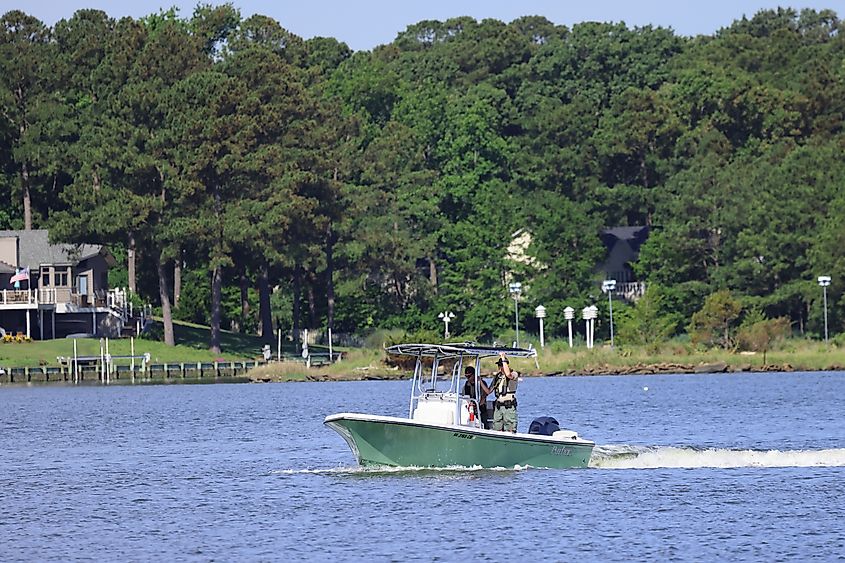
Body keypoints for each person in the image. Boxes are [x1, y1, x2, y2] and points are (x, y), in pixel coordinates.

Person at [491, 352, 519, 432]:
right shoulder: (498, 377)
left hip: (508, 407)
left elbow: (508, 374)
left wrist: (503, 358)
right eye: (499, 365)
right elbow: (489, 390)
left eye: (501, 365)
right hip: (499, 407)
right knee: (497, 428)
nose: (499, 368)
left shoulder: (514, 374)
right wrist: (480, 381)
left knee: (510, 428)